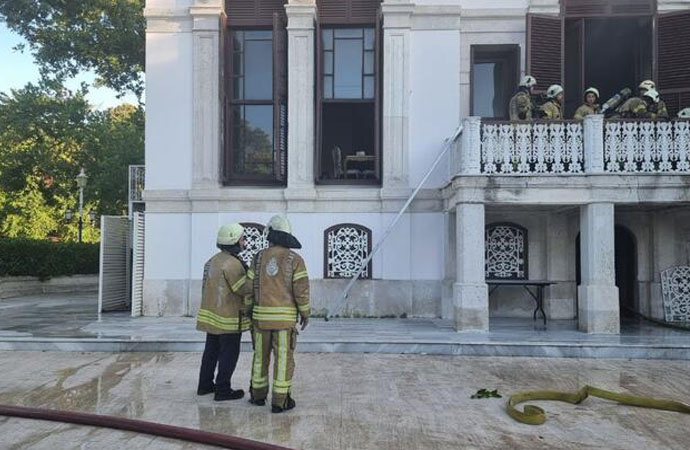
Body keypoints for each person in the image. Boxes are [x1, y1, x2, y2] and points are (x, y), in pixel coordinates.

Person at [247, 215, 310, 414]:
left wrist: (248, 310)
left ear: (271, 235)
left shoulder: (258, 258)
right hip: (284, 322)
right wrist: (305, 313)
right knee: (283, 359)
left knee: (260, 358)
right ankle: (280, 401)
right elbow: (301, 290)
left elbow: (249, 288)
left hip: (260, 320)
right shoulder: (295, 259)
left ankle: (258, 396)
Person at [196, 223, 252, 401]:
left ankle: (205, 385)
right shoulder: (233, 264)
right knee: (229, 354)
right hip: (228, 319)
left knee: (211, 352)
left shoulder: (213, 260)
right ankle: (223, 390)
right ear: (234, 240)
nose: (244, 242)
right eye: (242, 239)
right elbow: (242, 289)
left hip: (211, 317)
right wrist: (253, 277)